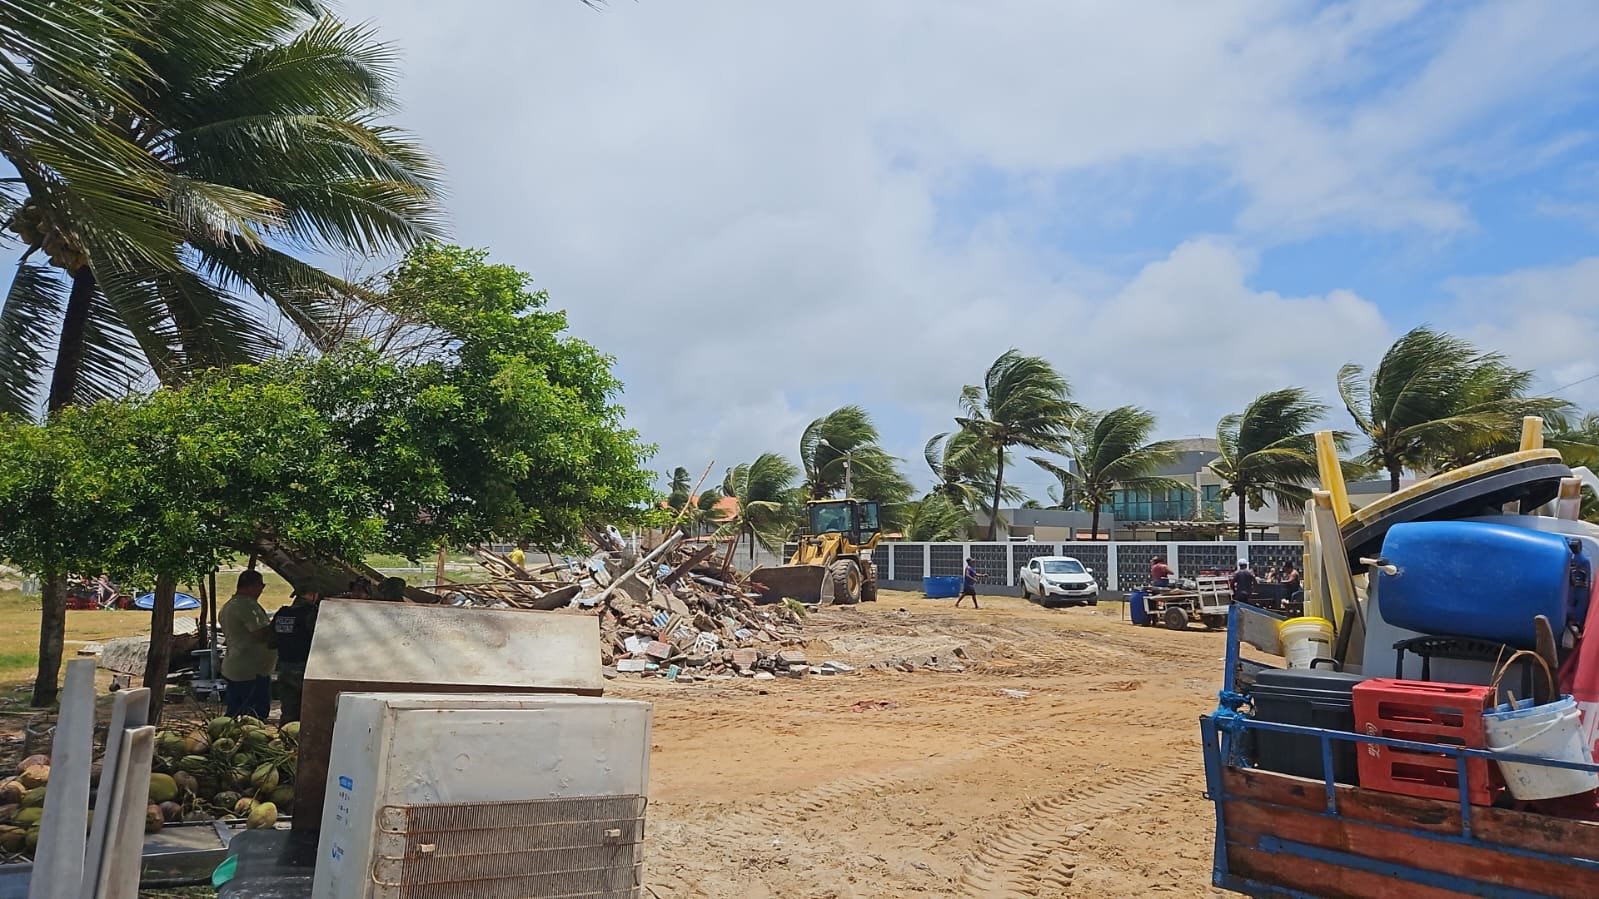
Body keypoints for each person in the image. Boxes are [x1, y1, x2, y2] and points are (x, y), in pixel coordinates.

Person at [220, 570, 276, 719]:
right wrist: (278, 630)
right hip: (250, 671)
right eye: (261, 586)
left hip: (239, 667)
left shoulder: (231, 605)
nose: (261, 590)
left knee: (236, 712)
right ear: (252, 586)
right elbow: (260, 634)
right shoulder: (247, 606)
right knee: (253, 715)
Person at [271, 590, 321, 724]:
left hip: (284, 667)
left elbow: (271, 641)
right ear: (312, 595)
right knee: (308, 713)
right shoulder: (311, 613)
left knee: (288, 712)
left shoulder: (282, 613)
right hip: (305, 668)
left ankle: (285, 739)